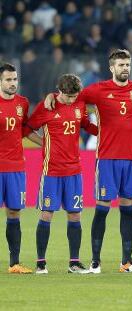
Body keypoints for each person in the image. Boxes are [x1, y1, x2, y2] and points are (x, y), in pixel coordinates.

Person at [44, 49, 132, 273]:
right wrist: (52, 96)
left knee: (128, 209)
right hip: (107, 159)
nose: (125, 69)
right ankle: (95, 261)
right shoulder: (98, 90)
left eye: (127, 64)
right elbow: (70, 94)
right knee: (102, 209)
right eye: (120, 65)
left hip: (130, 159)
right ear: (111, 68)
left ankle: (126, 262)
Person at [26, 74, 98, 274]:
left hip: (74, 170)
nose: (73, 100)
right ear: (60, 92)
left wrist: (103, 131)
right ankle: (41, 263)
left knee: (75, 215)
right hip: (52, 171)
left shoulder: (80, 104)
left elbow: (85, 124)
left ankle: (74, 263)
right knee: (47, 214)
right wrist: (45, 143)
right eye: (69, 97)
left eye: (76, 96)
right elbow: (27, 129)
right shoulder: (46, 106)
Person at [0, 63, 42, 274]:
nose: (13, 83)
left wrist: (46, 143)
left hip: (16, 167)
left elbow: (24, 129)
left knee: (14, 212)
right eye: (8, 79)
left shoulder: (22, 103)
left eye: (15, 79)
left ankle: (14, 263)